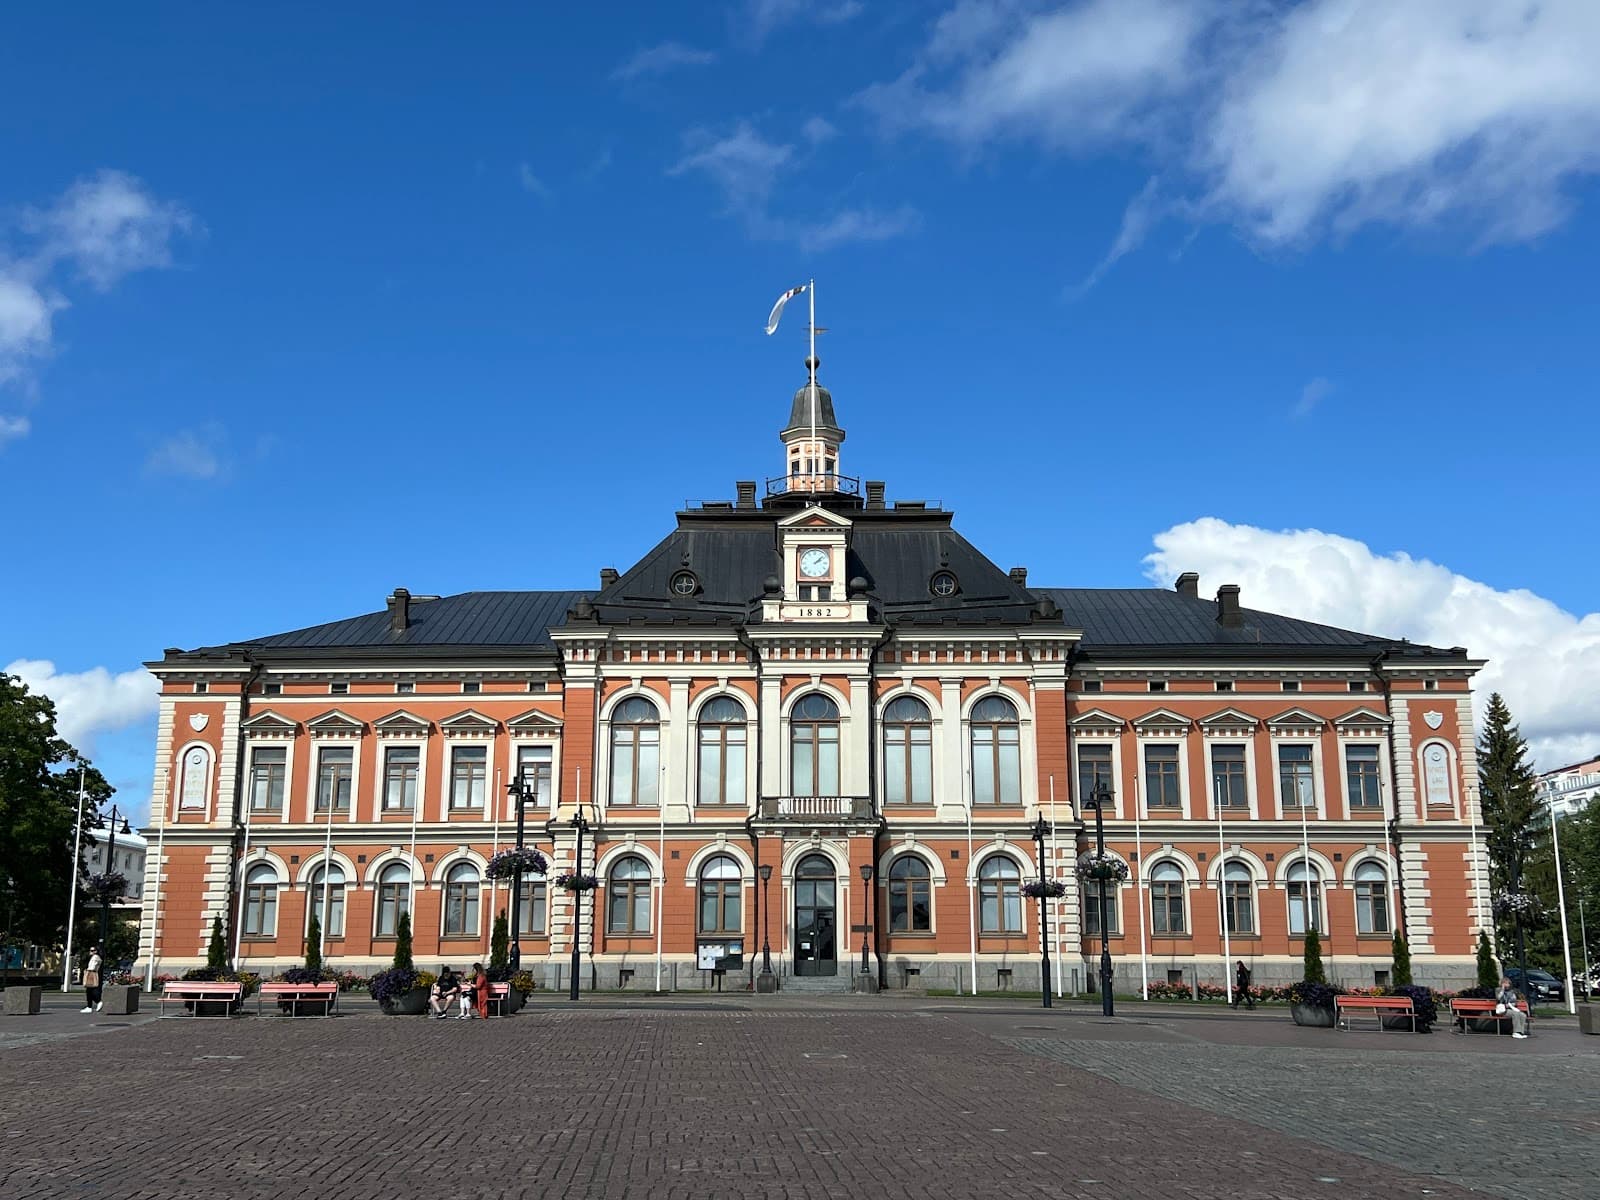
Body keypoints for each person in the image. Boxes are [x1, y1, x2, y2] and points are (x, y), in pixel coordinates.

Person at [81, 945, 103, 1014]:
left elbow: (92, 967)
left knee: (91, 990)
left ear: (96, 951)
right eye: (90, 950)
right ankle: (89, 1006)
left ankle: (98, 1002)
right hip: (92, 973)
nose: (91, 952)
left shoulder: (95, 957)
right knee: (89, 990)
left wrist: (87, 971)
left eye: (93, 950)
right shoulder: (95, 957)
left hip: (91, 973)